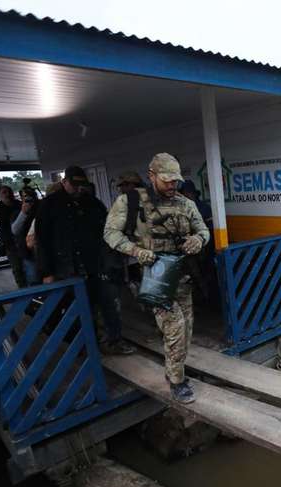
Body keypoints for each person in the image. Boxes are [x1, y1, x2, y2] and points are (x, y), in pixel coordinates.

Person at [104, 153, 210, 404]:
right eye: (166, 180)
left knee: (187, 332)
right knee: (175, 329)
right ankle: (177, 382)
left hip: (183, 277)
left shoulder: (185, 204)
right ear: (151, 176)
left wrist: (198, 240)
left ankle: (176, 369)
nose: (172, 185)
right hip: (157, 280)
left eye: (176, 180)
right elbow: (110, 233)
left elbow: (203, 229)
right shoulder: (130, 202)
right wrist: (137, 251)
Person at [36, 166, 134, 355]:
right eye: (74, 184)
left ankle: (113, 341)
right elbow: (42, 241)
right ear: (64, 182)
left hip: (97, 265)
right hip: (67, 268)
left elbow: (107, 232)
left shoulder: (93, 204)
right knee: (79, 309)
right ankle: (85, 347)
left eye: (82, 185)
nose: (78, 189)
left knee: (108, 305)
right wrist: (46, 272)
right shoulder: (48, 205)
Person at [0, 185, 24, 287]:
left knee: (28, 264)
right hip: (8, 241)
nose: (7, 194)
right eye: (4, 192)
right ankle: (22, 287)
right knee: (16, 267)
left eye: (9, 192)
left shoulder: (19, 204)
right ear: (0, 194)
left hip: (23, 239)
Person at [11, 187, 40, 285]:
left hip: (42, 249)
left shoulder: (42, 208)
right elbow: (14, 230)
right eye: (25, 197)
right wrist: (23, 213)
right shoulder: (17, 211)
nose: (28, 200)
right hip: (27, 252)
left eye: (30, 196)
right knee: (32, 278)